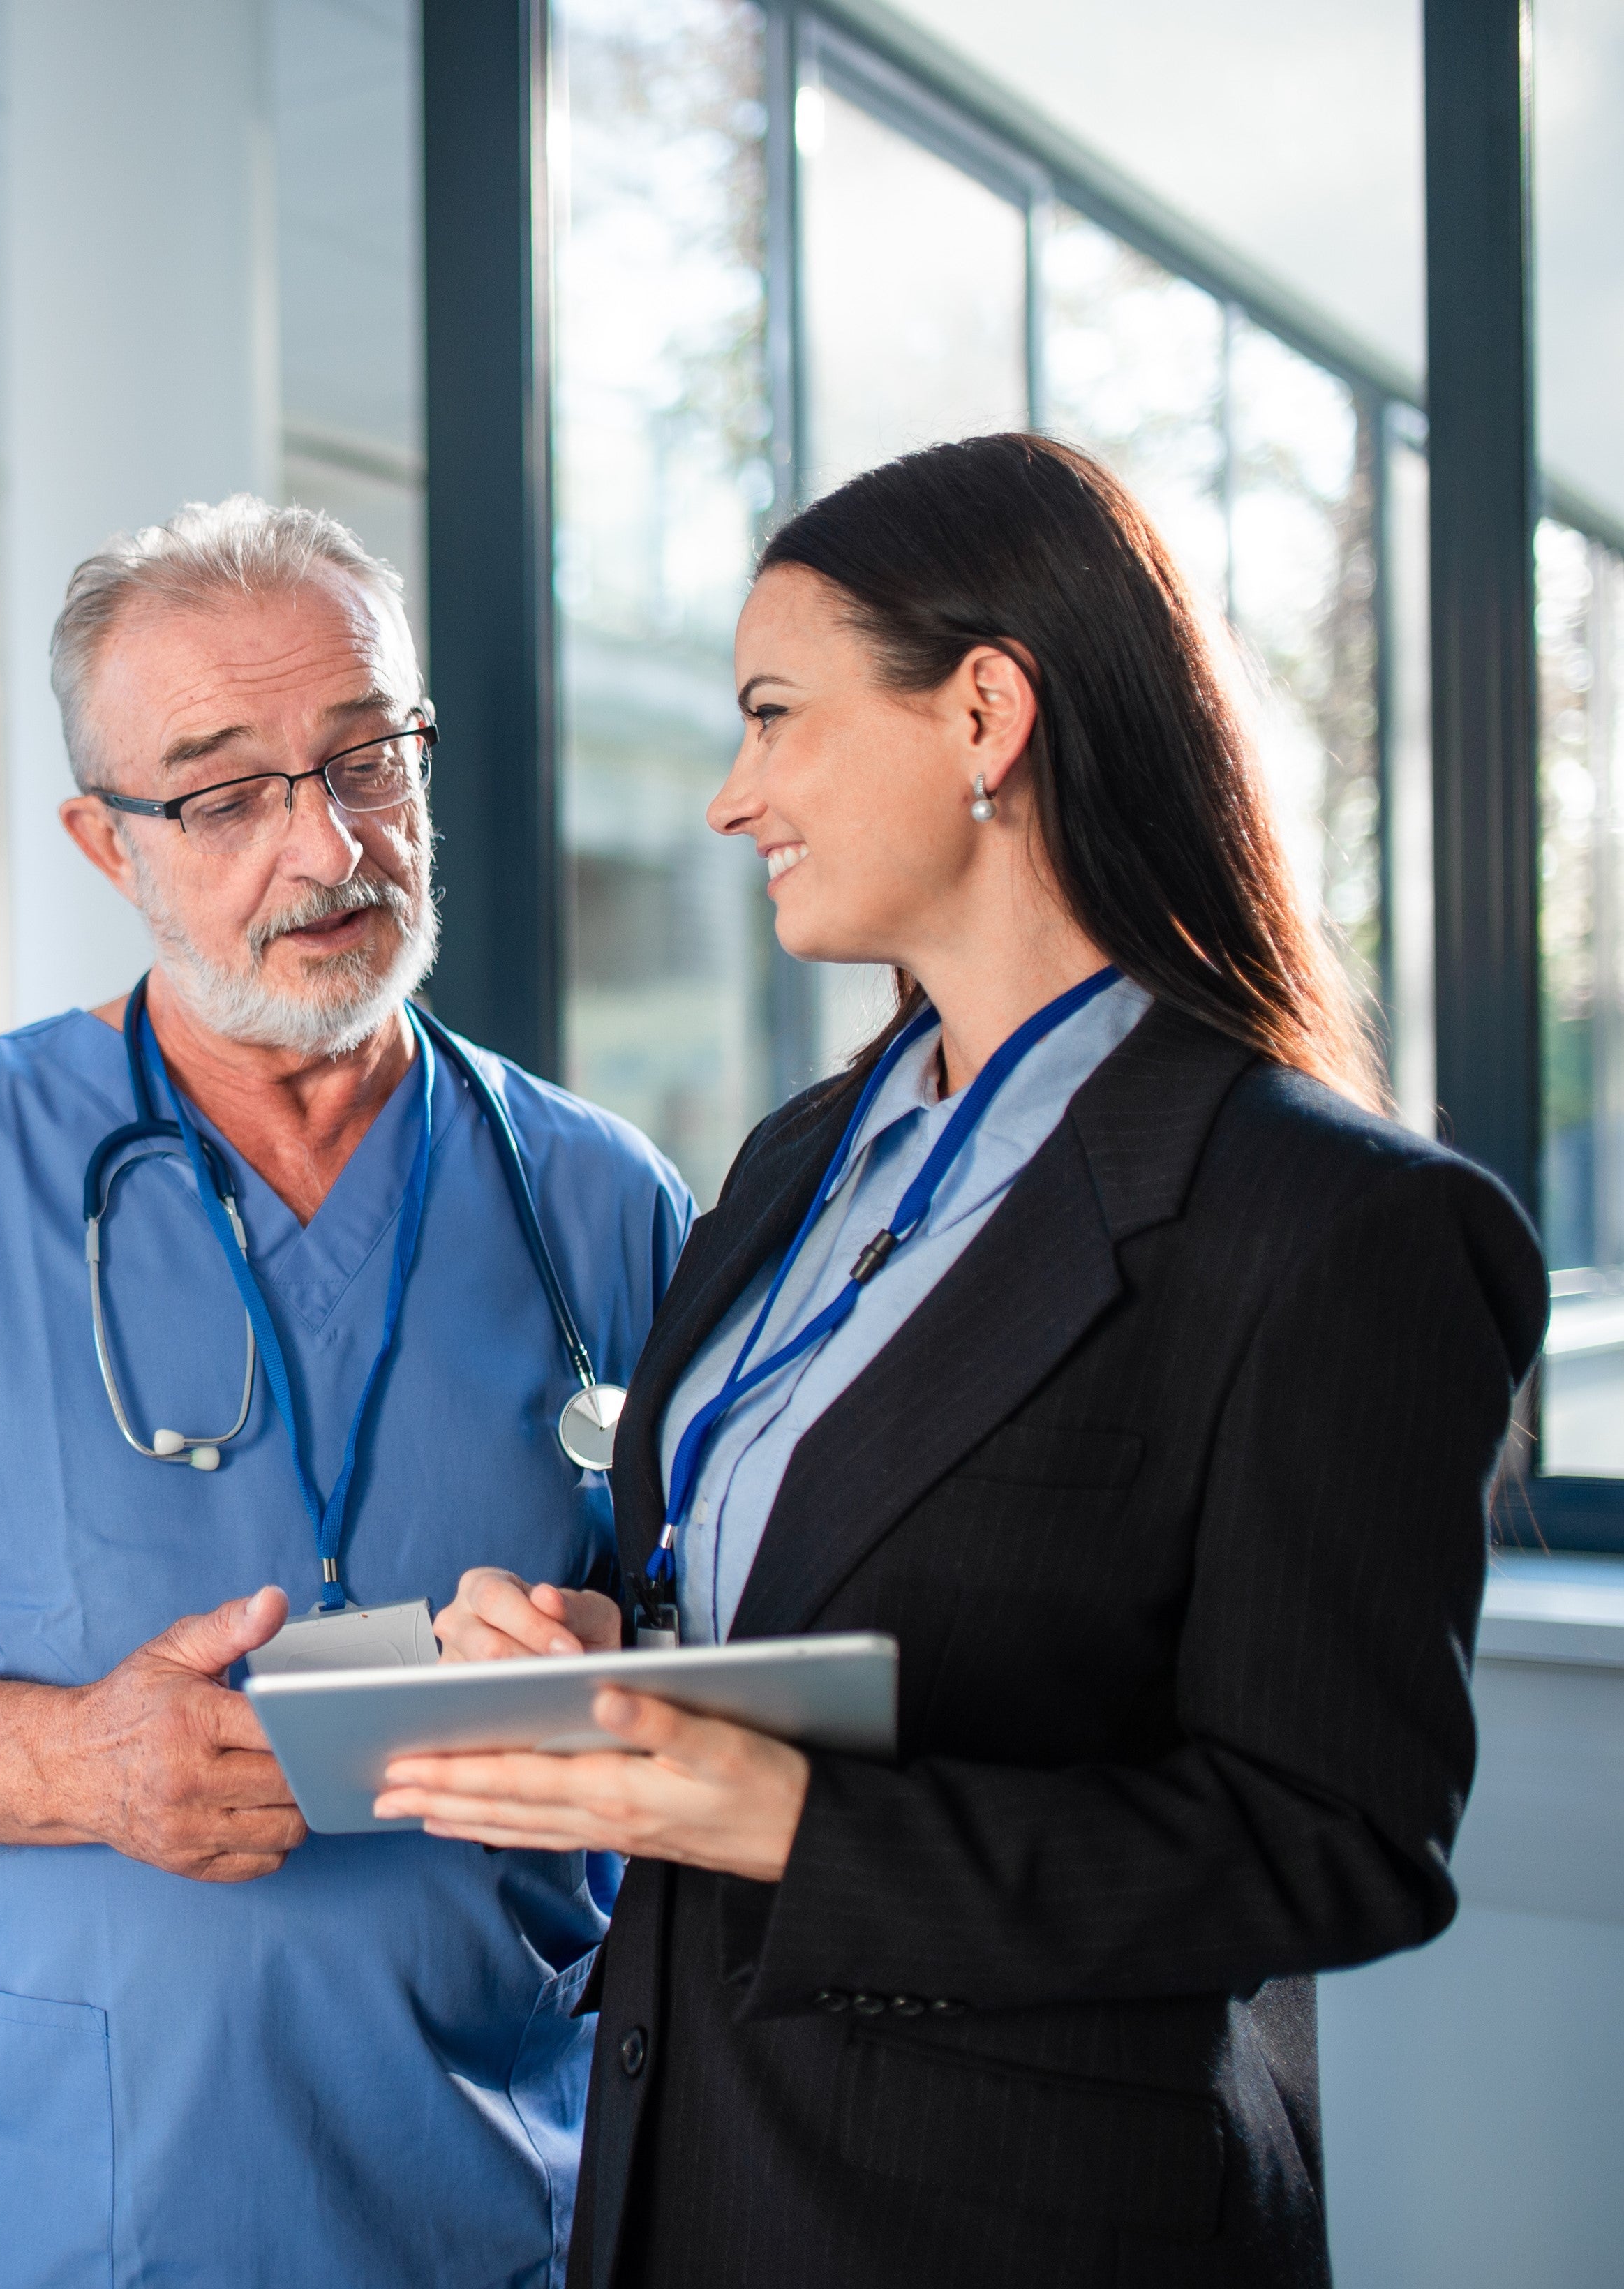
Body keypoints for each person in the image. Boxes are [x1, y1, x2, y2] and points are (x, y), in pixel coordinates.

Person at [375, 435, 1548, 2288]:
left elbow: (1327, 1848)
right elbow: (771, 1587)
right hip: (680, 2185)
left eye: (771, 716)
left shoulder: (1327, 1226)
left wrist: (796, 1823)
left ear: (982, 712)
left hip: (1013, 2227)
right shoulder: (793, 1164)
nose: (725, 797)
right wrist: (614, 1651)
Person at [0, 495, 693, 2286]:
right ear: (104, 843)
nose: (325, 845)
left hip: (498, 2200)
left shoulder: (598, 1197)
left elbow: (711, 1651)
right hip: (47, 2212)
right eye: (220, 792)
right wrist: (69, 1759)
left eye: (367, 758)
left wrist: (603, 1657)